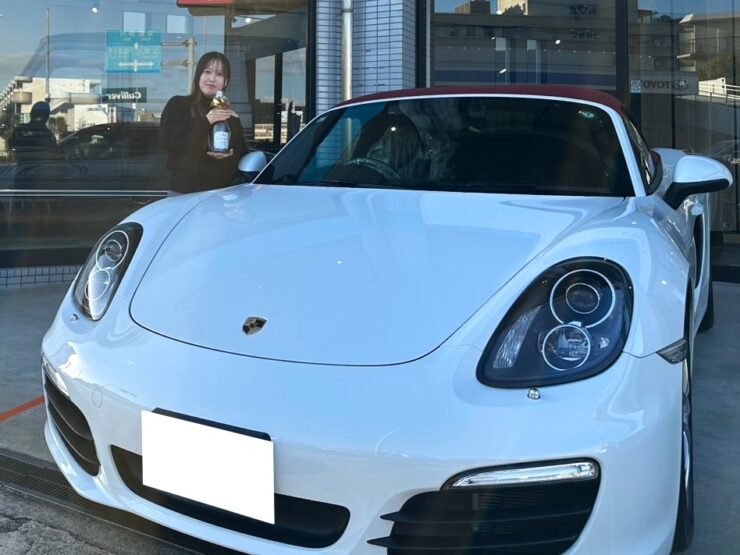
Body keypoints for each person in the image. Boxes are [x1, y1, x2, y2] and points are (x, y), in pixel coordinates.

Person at [159, 51, 247, 194]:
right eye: (207, 72)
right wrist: (206, 121)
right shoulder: (179, 104)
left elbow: (242, 156)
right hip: (183, 192)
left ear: (226, 81)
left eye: (219, 74)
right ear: (198, 75)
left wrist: (229, 155)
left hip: (221, 194)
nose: (212, 78)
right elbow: (166, 139)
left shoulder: (229, 116)